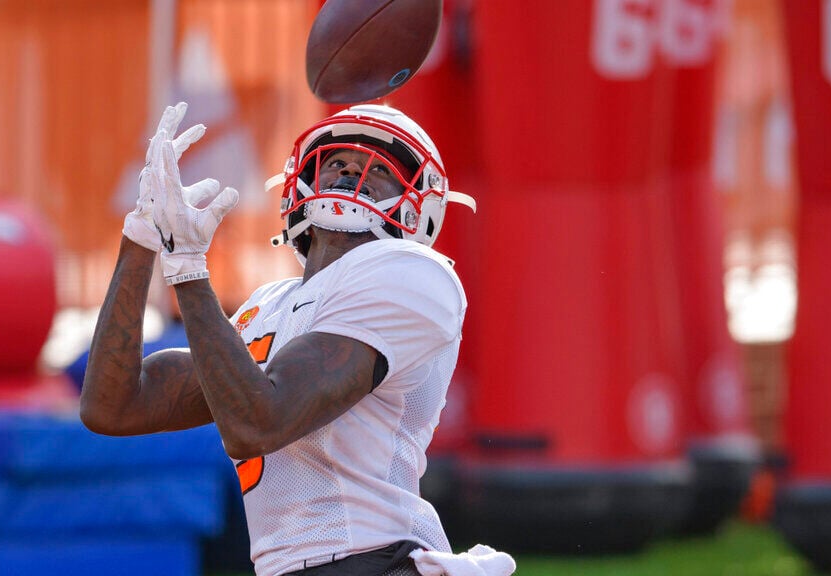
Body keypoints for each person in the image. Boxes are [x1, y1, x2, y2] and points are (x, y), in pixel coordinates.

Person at [80, 102, 514, 576]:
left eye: (379, 168)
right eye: (335, 161)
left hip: (376, 559)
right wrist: (142, 238)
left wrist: (187, 266)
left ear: (416, 206)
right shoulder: (268, 305)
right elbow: (113, 406)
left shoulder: (412, 274)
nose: (351, 169)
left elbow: (260, 424)